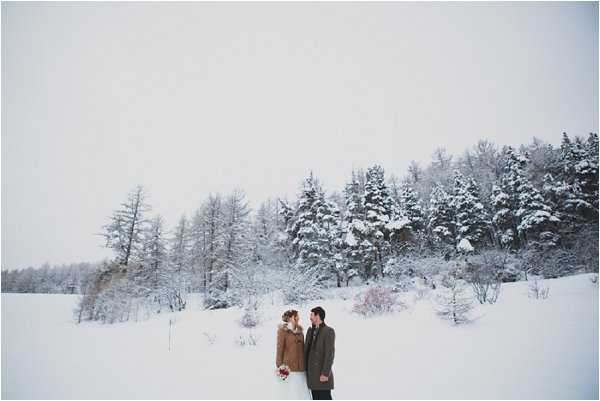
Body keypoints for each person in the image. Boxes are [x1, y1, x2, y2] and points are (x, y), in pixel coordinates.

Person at [274, 309, 312, 399]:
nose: (298, 318)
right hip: (289, 369)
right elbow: (279, 349)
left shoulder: (300, 331)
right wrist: (279, 366)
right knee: (291, 394)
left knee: (301, 394)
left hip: (301, 369)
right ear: (291, 318)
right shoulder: (282, 331)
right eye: (296, 316)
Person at [305, 306, 335, 400]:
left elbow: (329, 354)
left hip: (322, 376)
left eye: (312, 315)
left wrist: (325, 373)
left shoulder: (328, 331)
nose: (310, 317)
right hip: (312, 376)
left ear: (318, 316)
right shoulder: (310, 331)